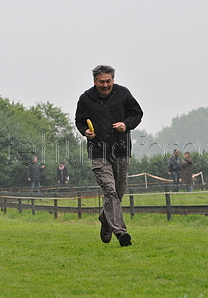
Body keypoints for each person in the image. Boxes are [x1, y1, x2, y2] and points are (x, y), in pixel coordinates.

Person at [75, 65, 143, 247]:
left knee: (118, 193)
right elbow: (79, 121)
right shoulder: (86, 98)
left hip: (121, 151)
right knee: (110, 190)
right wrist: (85, 132)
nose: (105, 85)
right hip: (98, 153)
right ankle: (121, 232)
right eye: (101, 82)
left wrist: (126, 124)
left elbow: (137, 114)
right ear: (94, 81)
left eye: (108, 81)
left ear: (113, 79)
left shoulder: (123, 94)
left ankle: (106, 220)